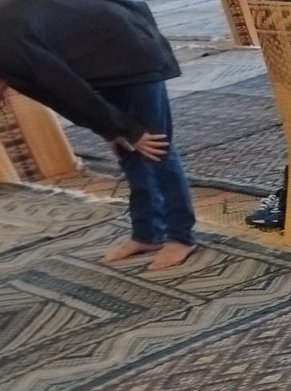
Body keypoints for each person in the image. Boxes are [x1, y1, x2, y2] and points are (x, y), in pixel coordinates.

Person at [0, 0, 198, 269]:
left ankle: (181, 237)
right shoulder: (8, 59)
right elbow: (57, 97)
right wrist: (110, 129)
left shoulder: (6, 46)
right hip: (97, 60)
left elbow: (66, 88)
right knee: (127, 148)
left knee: (155, 145)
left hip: (133, 50)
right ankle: (148, 233)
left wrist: (129, 130)